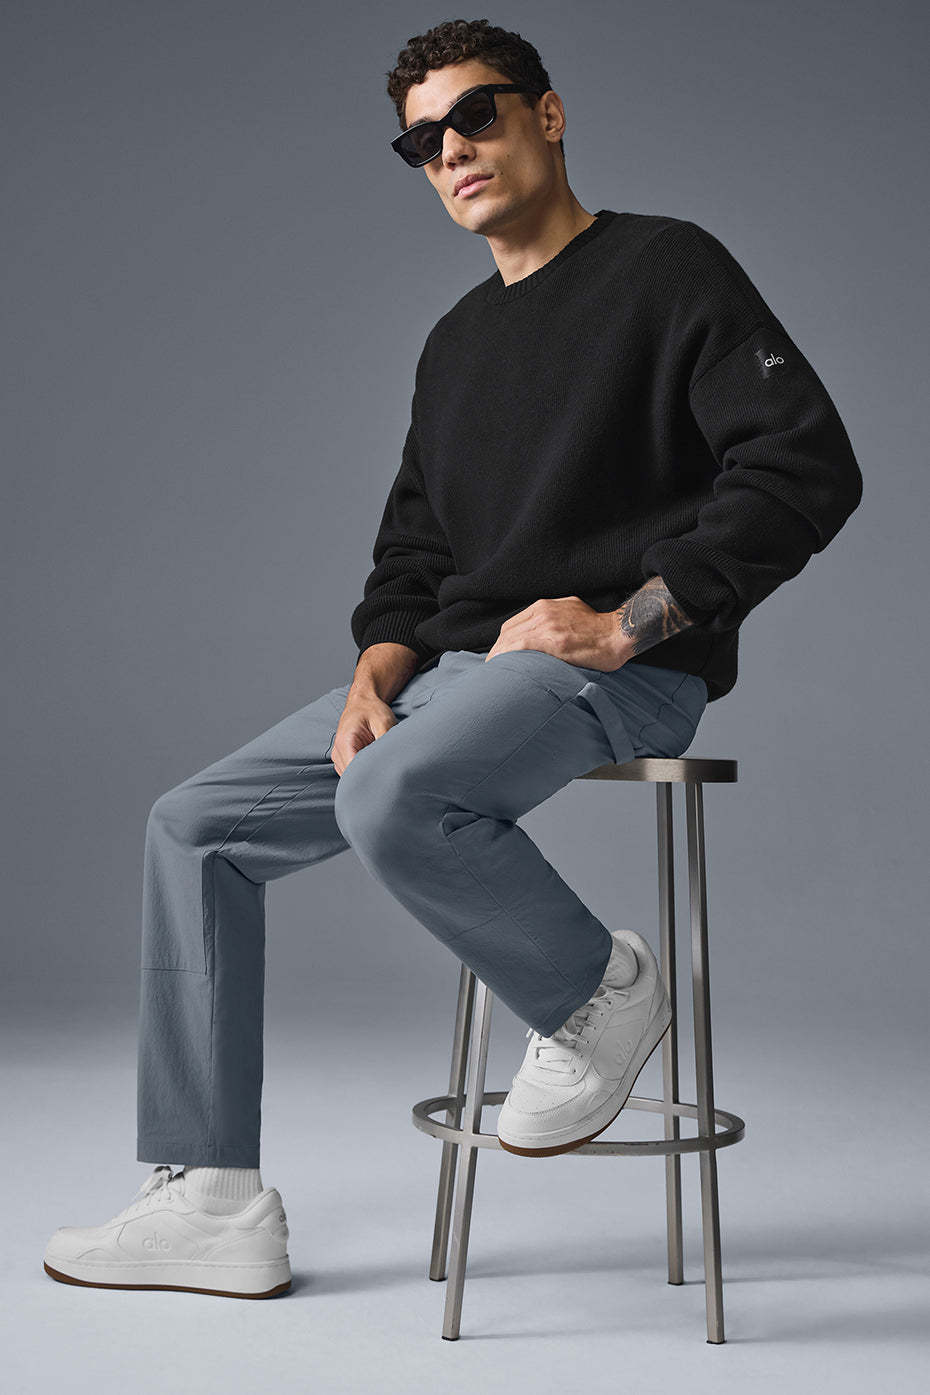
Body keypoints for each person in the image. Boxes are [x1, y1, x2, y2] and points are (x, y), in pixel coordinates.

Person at [44, 18, 863, 1299]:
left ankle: (599, 991)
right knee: (192, 828)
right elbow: (414, 551)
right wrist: (377, 673)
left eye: (476, 115)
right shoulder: (455, 342)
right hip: (453, 674)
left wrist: (631, 621)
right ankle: (211, 1196)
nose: (453, 151)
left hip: (618, 672)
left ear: (548, 114)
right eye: (423, 141)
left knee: (391, 795)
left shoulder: (668, 268)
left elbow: (804, 466)